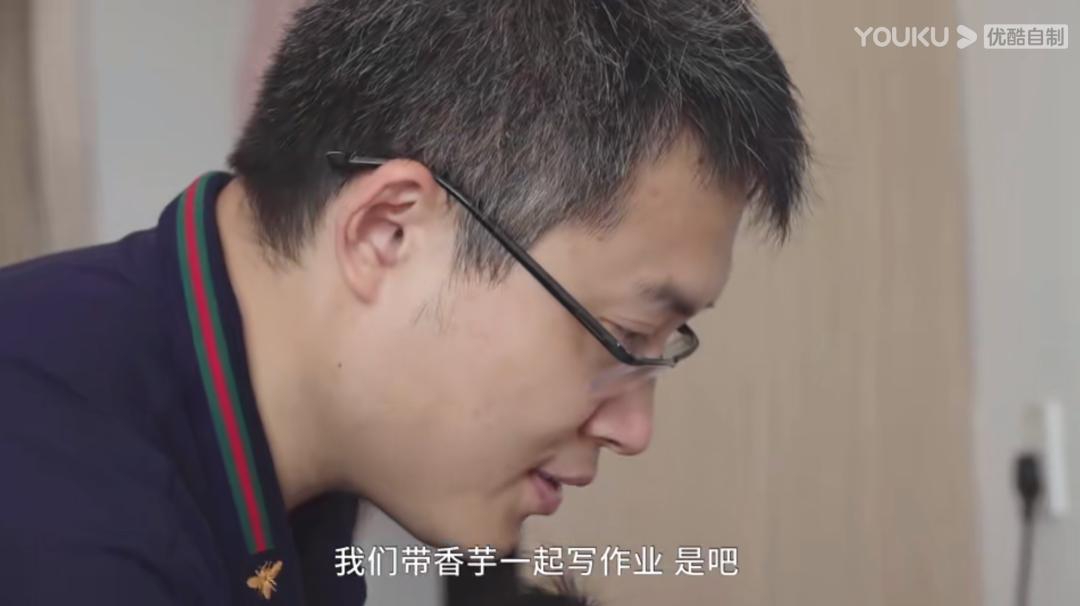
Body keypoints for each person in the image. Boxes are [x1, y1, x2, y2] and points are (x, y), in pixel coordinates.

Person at [0, 0, 809, 603]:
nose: (633, 429)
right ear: (387, 233)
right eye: (623, 334)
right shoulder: (67, 530)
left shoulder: (294, 455)